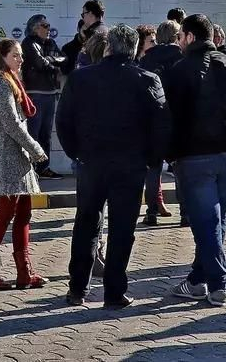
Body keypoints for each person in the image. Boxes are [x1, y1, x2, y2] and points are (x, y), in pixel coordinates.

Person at [59, 24, 169, 309]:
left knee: (86, 224)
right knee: (122, 229)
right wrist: (151, 160)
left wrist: (77, 154)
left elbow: (63, 122)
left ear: (108, 47)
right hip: (130, 166)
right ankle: (114, 291)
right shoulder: (147, 80)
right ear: (135, 50)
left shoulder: (81, 78)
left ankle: (77, 288)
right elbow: (161, 126)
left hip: (92, 163)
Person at [161, 14, 226, 307]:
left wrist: (171, 155)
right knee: (216, 222)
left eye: (180, 37)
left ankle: (218, 283)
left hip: (196, 157)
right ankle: (197, 280)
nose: (178, 42)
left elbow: (167, 117)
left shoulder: (178, 70)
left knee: (207, 223)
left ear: (189, 37)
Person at [0, 38, 50, 291]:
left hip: (17, 156)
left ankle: (24, 272)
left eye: (21, 55)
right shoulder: (0, 83)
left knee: (24, 213)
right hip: (5, 156)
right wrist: (35, 148)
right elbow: (11, 123)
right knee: (5, 214)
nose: (20, 59)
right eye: (15, 55)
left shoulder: (11, 80)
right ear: (2, 57)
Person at [140, 19, 184, 224]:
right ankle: (185, 213)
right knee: (180, 168)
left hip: (153, 120)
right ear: (177, 36)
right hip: (177, 119)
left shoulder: (147, 58)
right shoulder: (183, 56)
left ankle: (151, 212)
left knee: (153, 168)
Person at [21, 14, 67, 180]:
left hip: (50, 93)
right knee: (33, 133)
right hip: (35, 94)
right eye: (45, 26)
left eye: (48, 26)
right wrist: (52, 63)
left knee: (46, 134)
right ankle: (30, 169)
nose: (48, 29)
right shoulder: (28, 43)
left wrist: (50, 60)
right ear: (35, 28)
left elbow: (63, 59)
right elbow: (40, 63)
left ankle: (43, 168)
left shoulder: (50, 43)